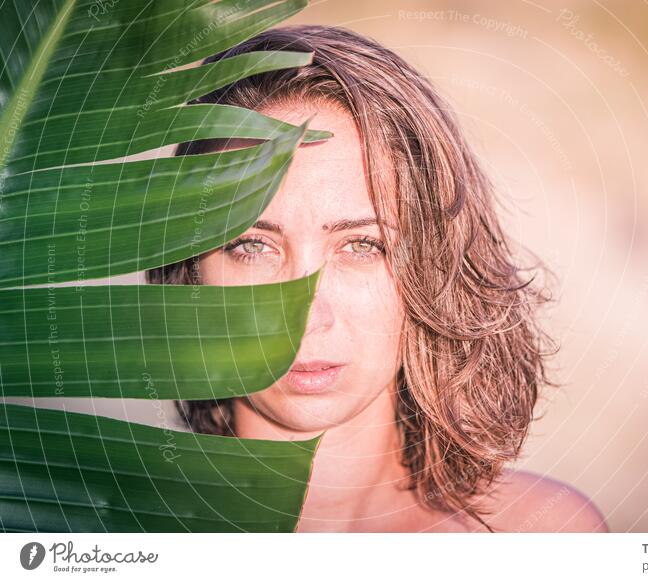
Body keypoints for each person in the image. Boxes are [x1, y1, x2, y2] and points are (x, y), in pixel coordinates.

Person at [147, 24, 608, 533]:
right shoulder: (103, 536)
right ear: (191, 271)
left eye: (362, 246)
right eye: (253, 246)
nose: (305, 316)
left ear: (433, 265)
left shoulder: (545, 537)